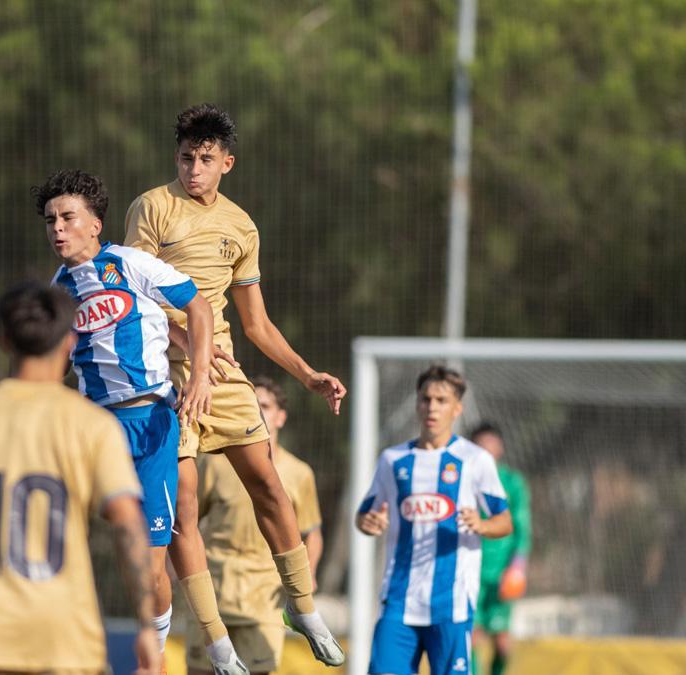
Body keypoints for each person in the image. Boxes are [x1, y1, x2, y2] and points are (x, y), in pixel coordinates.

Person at [0, 170, 252, 673]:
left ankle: (156, 653)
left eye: (68, 217)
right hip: (92, 427)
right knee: (13, 490)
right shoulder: (59, 290)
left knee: (148, 566)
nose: (57, 228)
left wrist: (201, 377)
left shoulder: (133, 263)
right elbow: (48, 367)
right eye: (51, 220)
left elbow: (199, 306)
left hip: (150, 423)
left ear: (96, 223)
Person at [124, 103, 346, 666]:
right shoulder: (151, 207)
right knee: (183, 512)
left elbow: (257, 324)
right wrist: (188, 353)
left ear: (228, 162)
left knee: (270, 484)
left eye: (204, 159)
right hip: (161, 377)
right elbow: (134, 297)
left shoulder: (241, 225)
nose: (192, 168)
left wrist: (308, 374)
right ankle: (217, 642)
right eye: (184, 157)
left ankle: (301, 604)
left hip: (220, 373)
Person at [0, 282, 159, 674]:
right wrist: (146, 625)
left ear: (4, 340)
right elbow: (128, 526)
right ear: (70, 340)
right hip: (65, 642)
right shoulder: (92, 425)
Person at [355, 366, 514, 675]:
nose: (432, 407)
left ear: (457, 408)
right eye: (426, 399)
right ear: (417, 403)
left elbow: (505, 521)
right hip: (399, 598)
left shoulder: (475, 460)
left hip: (451, 602)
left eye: (441, 400)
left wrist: (482, 525)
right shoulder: (393, 459)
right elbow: (364, 514)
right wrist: (368, 522)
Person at [185, 376, 326, 675]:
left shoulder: (299, 473)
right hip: (216, 591)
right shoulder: (214, 463)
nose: (259, 411)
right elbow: (186, 523)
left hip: (264, 597)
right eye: (253, 404)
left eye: (265, 405)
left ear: (280, 416)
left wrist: (307, 577)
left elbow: (312, 533)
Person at [470, 423, 531, 675]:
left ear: (500, 448)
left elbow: (523, 528)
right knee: (470, 639)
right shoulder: (463, 480)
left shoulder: (512, 483)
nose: (484, 451)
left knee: (503, 644)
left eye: (489, 444)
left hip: (501, 576)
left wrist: (517, 567)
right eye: (478, 445)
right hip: (469, 573)